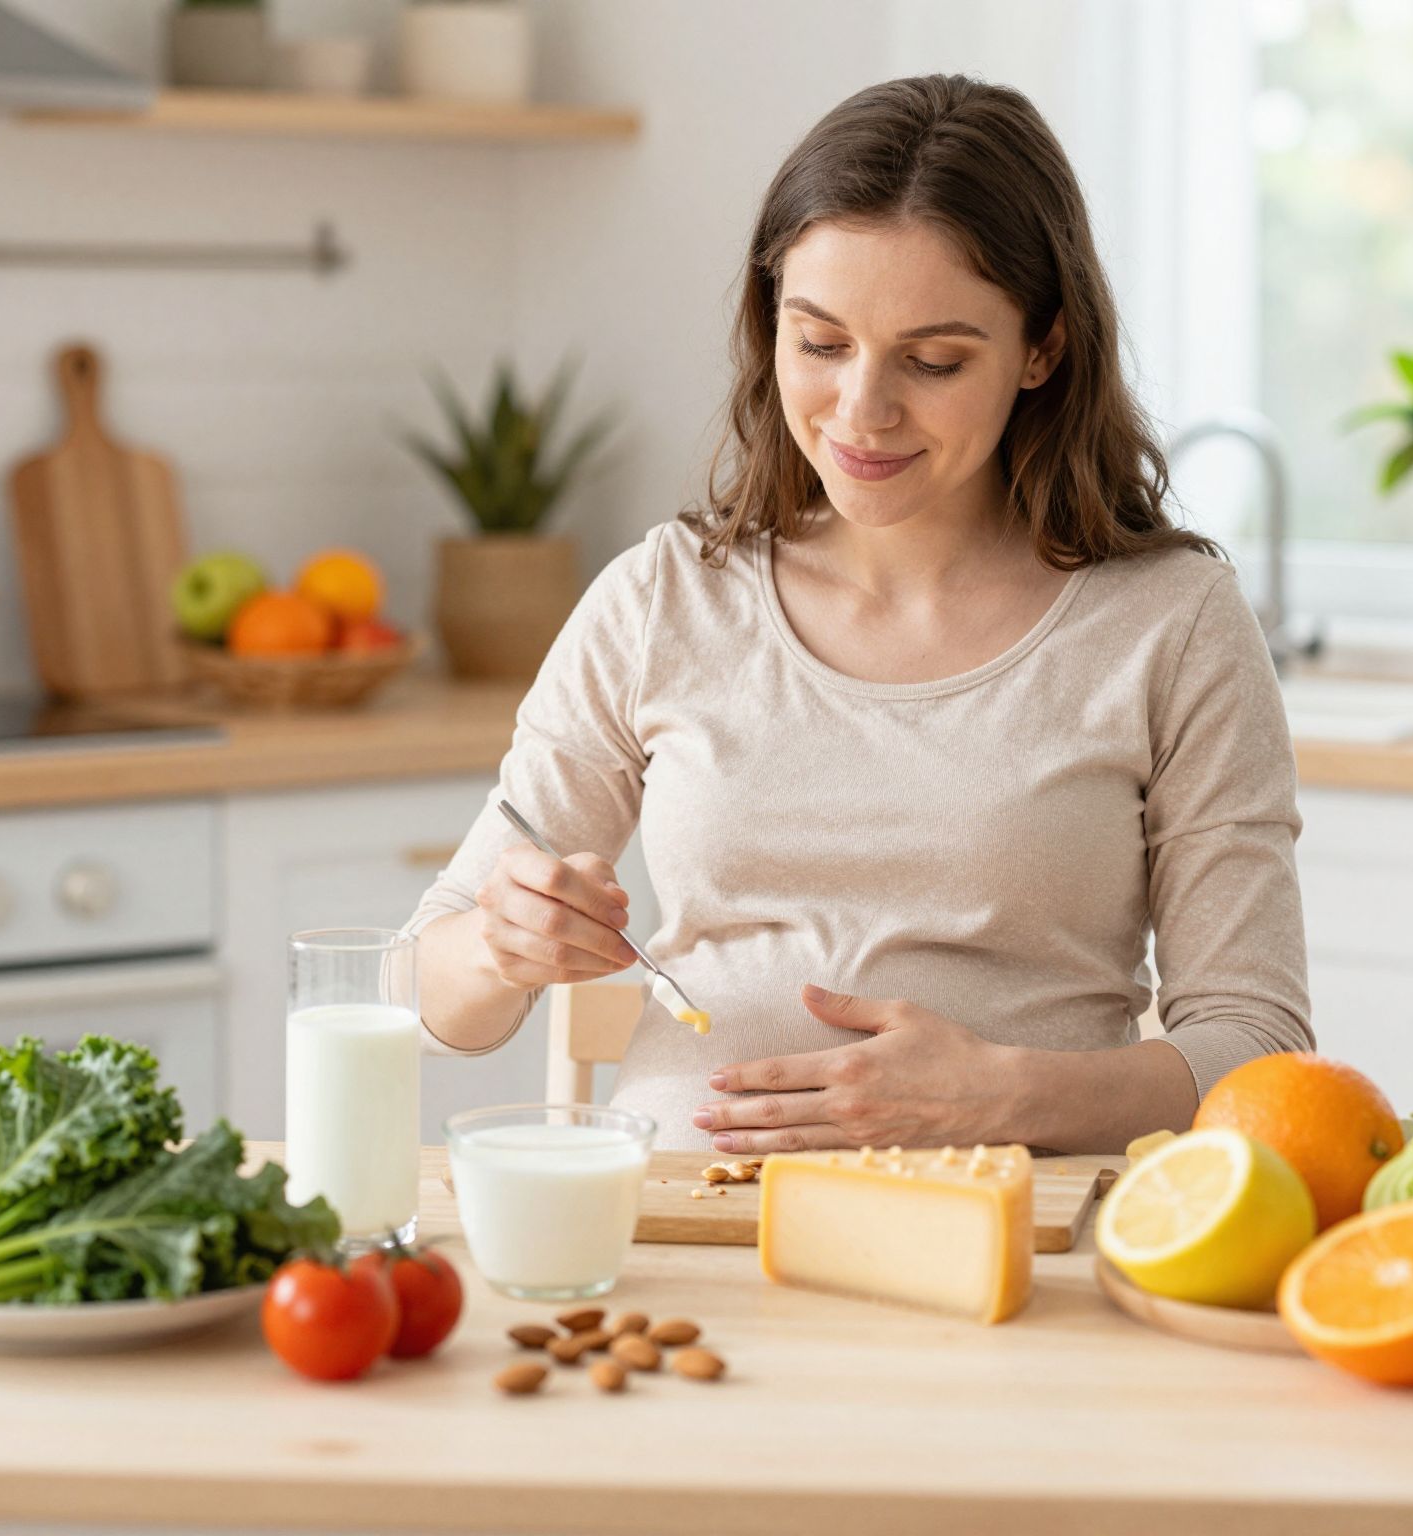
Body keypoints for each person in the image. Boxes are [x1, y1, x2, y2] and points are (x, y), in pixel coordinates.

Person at [408, 73, 1311, 1155]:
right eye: (821, 344)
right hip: (681, 1242)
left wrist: (1007, 1099)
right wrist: (501, 944)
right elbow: (426, 993)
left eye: (933, 361)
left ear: (1043, 348)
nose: (861, 411)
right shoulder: (662, 598)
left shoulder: (1169, 623)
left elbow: (1256, 1049)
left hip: (1012, 1245)